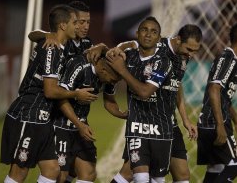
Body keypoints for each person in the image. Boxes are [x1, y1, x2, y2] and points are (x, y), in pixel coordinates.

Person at [0, 5, 97, 183]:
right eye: (75, 22)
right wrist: (76, 93)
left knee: (52, 170)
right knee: (19, 171)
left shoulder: (61, 48)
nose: (78, 26)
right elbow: (50, 90)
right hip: (28, 113)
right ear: (62, 25)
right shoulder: (52, 49)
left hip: (42, 117)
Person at [104, 24, 202, 183]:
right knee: (131, 173)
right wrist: (117, 48)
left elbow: (176, 86)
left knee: (183, 175)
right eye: (189, 49)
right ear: (178, 40)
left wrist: (185, 119)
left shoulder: (183, 58)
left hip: (168, 123)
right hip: (145, 121)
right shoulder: (158, 45)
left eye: (195, 51)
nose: (190, 54)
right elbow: (132, 44)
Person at [105, 16, 174, 183]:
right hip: (137, 128)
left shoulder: (163, 62)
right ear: (137, 33)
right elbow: (108, 78)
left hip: (161, 130)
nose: (148, 35)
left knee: (156, 179)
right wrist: (111, 97)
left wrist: (122, 71)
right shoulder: (127, 56)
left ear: (159, 38)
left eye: (153, 32)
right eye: (144, 30)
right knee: (141, 177)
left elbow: (145, 92)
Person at [197, 22, 237, 183]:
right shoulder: (228, 58)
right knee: (235, 166)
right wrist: (220, 125)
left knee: (216, 168)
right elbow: (214, 89)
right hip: (215, 122)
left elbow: (224, 97)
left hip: (209, 122)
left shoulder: (232, 59)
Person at [54, 53, 128, 183]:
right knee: (61, 174)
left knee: (88, 172)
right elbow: (60, 98)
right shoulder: (80, 67)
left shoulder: (109, 76)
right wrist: (76, 96)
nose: (113, 83)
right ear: (103, 69)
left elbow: (109, 102)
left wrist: (123, 114)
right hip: (61, 124)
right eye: (113, 80)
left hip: (81, 125)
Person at [28, 0, 93, 58]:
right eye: (82, 22)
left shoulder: (87, 42)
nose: (86, 27)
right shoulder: (59, 39)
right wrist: (47, 35)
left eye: (88, 22)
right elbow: (31, 35)